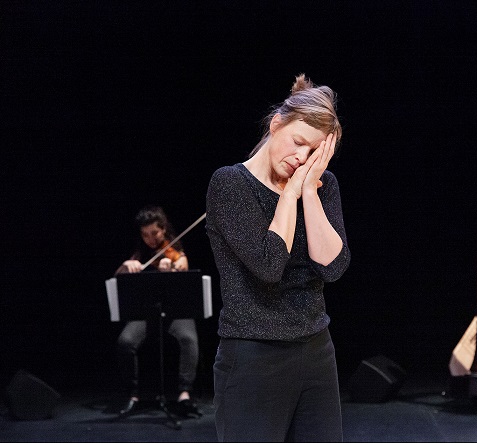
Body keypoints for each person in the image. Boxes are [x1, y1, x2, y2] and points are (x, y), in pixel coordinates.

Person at [205, 74, 351, 442]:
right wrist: (289, 195)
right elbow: (269, 265)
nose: (302, 158)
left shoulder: (323, 185)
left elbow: (333, 266)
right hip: (253, 355)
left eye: (313, 152)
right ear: (276, 124)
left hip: (316, 350)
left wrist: (310, 194)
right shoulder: (230, 184)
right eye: (298, 142)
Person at [114, 205, 201, 418]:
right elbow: (117, 278)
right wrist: (126, 266)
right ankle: (133, 395)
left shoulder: (173, 248)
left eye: (155, 233)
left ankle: (184, 394)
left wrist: (172, 267)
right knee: (125, 341)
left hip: (175, 311)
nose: (151, 240)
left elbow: (182, 264)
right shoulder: (139, 251)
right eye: (145, 235)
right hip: (146, 311)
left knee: (189, 339)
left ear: (163, 229)